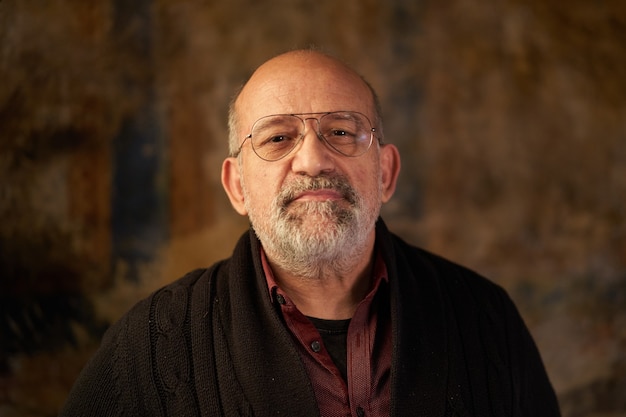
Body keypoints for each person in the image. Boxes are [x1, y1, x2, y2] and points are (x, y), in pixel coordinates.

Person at [61, 49, 561, 416]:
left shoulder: (485, 318)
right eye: (278, 138)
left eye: (342, 132)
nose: (313, 159)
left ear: (385, 173)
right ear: (237, 186)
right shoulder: (151, 345)